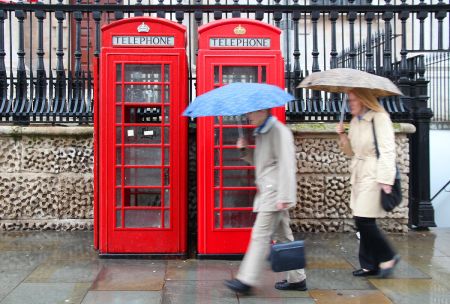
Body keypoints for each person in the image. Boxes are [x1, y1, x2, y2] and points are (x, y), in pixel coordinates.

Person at [224, 109, 306, 295]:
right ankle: (298, 279)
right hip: (269, 192)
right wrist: (244, 150)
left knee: (260, 236)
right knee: (284, 238)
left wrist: (285, 197)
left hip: (275, 194)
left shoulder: (278, 131)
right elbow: (262, 163)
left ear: (262, 111)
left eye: (252, 113)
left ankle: (246, 279)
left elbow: (287, 164)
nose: (248, 116)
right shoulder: (262, 132)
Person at [335, 88, 400, 278]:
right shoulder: (355, 121)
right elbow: (350, 152)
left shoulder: (380, 118)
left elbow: (388, 150)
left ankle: (388, 256)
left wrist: (385, 179)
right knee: (363, 219)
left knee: (363, 219)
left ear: (364, 100)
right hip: (359, 172)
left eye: (353, 100)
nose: (350, 104)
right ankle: (369, 265)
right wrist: (342, 135)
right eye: (349, 100)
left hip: (374, 172)